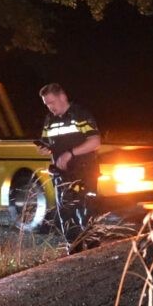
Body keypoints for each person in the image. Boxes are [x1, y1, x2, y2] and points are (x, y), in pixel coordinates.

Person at [37, 83, 101, 252]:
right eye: (47, 104)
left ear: (63, 97)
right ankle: (73, 251)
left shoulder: (80, 115)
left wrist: (70, 153)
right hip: (62, 176)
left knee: (87, 211)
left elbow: (95, 142)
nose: (50, 107)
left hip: (84, 172)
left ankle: (95, 252)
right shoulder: (49, 120)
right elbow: (47, 142)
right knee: (66, 213)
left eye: (52, 102)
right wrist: (46, 148)